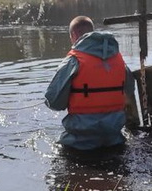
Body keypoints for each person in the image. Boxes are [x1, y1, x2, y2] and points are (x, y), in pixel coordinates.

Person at [45, 16, 136, 150]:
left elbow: (54, 102)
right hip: (114, 139)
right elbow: (129, 91)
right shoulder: (119, 60)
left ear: (74, 35)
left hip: (79, 142)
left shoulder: (73, 60)